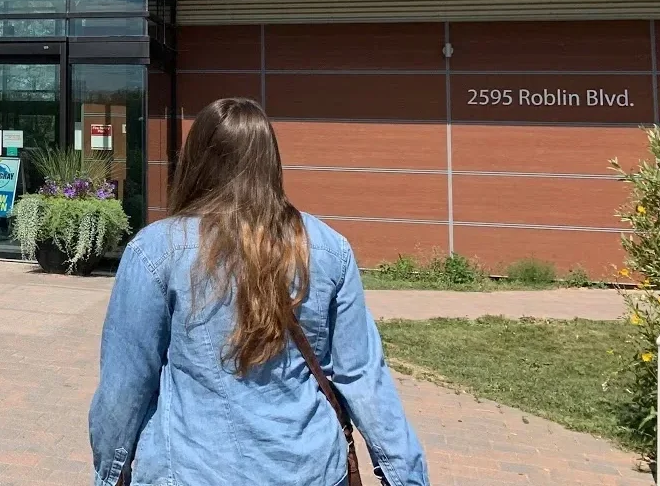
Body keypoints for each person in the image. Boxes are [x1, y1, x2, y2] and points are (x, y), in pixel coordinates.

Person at [89, 98, 426, 486]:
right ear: (271, 161)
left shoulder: (156, 250)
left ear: (196, 161)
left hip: (192, 468)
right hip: (310, 469)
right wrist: (405, 476)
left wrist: (108, 474)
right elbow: (365, 378)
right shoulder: (329, 248)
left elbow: (124, 388)